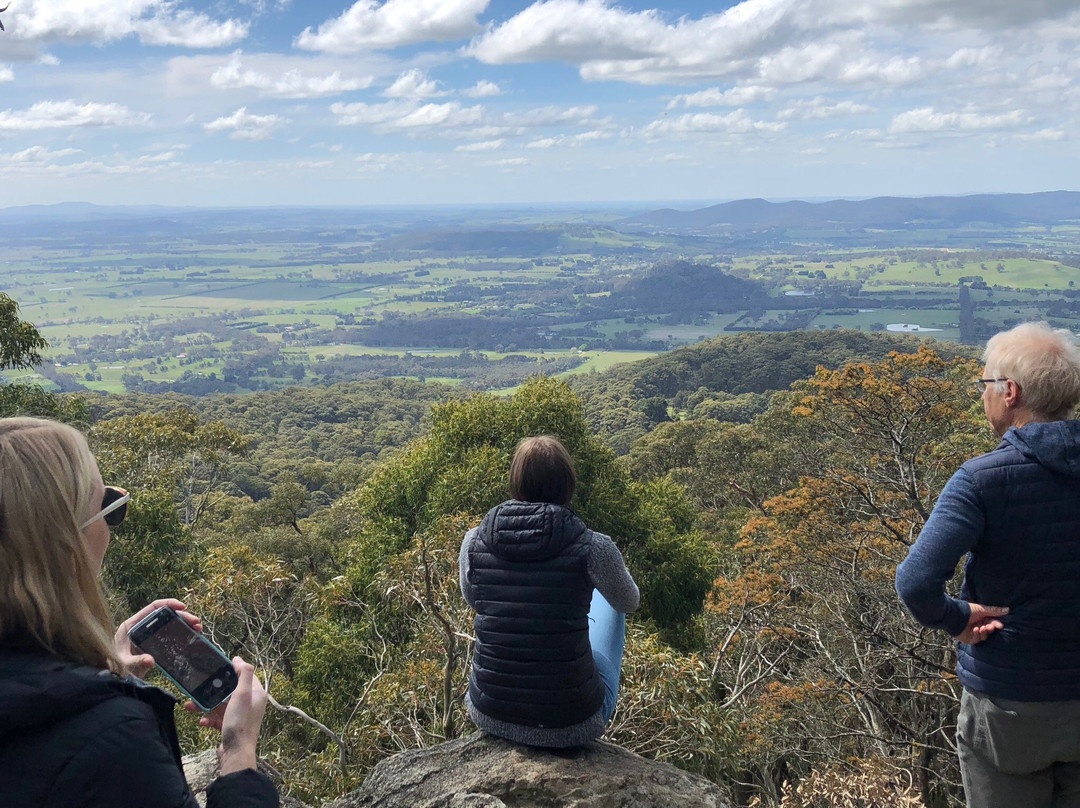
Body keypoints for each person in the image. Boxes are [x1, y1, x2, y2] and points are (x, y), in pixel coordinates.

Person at [0, 417, 278, 808]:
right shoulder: (114, 744)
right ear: (67, 545)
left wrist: (108, 672)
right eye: (108, 506)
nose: (114, 523)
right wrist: (239, 753)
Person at [896, 322, 1080, 808]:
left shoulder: (982, 480)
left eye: (985, 385)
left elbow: (916, 582)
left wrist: (957, 620)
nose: (983, 396)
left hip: (1010, 705)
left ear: (1010, 392)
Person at [459, 435, 640, 747]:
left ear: (516, 480)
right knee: (611, 603)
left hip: (490, 712)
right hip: (571, 722)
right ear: (567, 483)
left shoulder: (474, 541)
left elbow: (474, 600)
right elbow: (629, 601)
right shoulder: (594, 546)